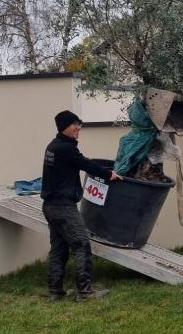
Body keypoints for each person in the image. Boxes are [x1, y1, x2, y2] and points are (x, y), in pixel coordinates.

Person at [41, 110, 123, 301]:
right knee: (82, 245)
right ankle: (85, 292)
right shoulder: (66, 149)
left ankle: (55, 292)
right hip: (63, 207)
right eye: (75, 124)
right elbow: (85, 163)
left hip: (50, 206)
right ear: (64, 127)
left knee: (59, 249)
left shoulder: (53, 146)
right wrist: (109, 174)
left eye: (80, 124)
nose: (79, 128)